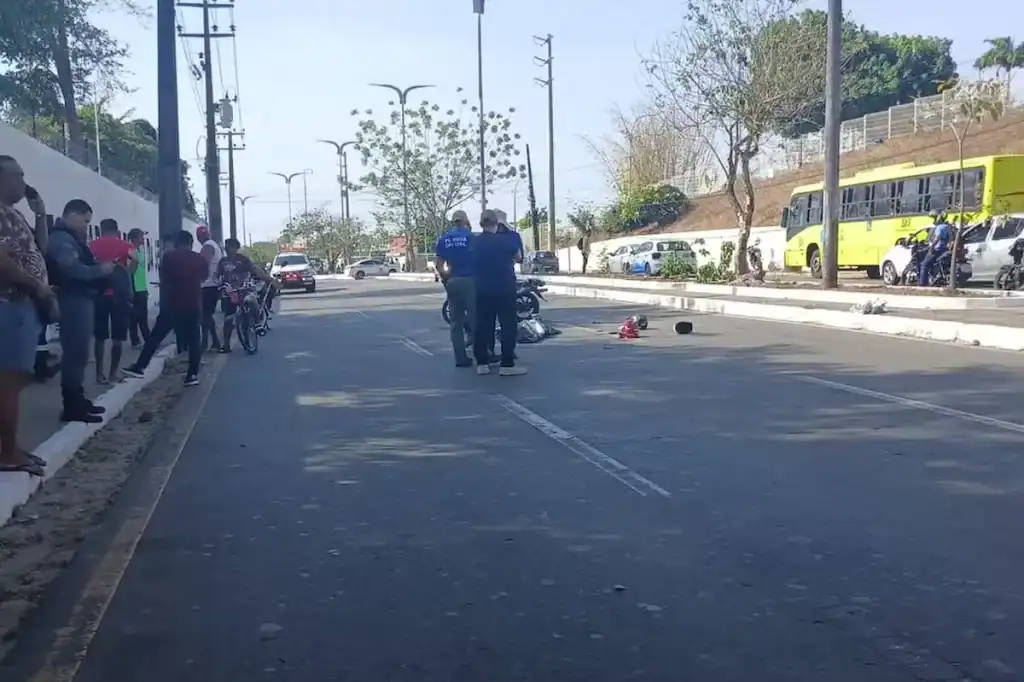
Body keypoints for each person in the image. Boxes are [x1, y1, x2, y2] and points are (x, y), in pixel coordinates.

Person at [0, 155, 56, 476]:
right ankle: (7, 453)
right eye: (17, 175)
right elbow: (2, 263)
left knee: (15, 379)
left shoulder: (15, 214)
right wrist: (37, 286)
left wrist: (41, 215)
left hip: (22, 304)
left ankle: (10, 447)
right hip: (9, 303)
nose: (23, 182)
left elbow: (39, 249)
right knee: (9, 381)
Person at [47, 199, 113, 423]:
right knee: (75, 353)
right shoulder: (62, 240)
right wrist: (101, 270)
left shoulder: (70, 239)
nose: (86, 226)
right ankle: (72, 405)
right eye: (85, 221)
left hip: (80, 298)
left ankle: (77, 399)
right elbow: (73, 269)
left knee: (80, 353)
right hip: (72, 299)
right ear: (73, 215)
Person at [122, 230, 206, 386]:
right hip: (193, 304)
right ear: (190, 243)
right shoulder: (199, 259)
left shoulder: (169, 257)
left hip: (172, 304)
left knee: (155, 338)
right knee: (194, 339)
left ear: (177, 242)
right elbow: (204, 277)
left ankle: (140, 366)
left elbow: (163, 276)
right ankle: (192, 375)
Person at [472, 209, 525, 376]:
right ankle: (507, 364)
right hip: (505, 288)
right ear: (497, 223)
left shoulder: (474, 242)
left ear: (481, 224)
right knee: (508, 325)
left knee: (482, 325)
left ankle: (482, 363)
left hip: (482, 288)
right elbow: (519, 257)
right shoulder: (505, 241)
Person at [89, 218, 137, 384]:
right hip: (119, 295)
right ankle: (112, 374)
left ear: (101, 230)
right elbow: (135, 261)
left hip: (99, 294)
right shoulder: (126, 246)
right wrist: (126, 273)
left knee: (100, 336)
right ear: (116, 230)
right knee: (118, 336)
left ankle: (99, 374)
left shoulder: (92, 245)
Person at [215, 237, 274, 352]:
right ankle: (226, 345)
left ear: (236, 248)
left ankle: (257, 324)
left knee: (251, 301)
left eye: (230, 247)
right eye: (226, 247)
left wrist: (268, 279)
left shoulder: (243, 260)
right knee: (228, 318)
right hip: (230, 292)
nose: (227, 249)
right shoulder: (222, 262)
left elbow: (255, 269)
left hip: (244, 289)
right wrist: (218, 284)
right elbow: (217, 275)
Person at [435, 210, 475, 367]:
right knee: (476, 319)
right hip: (471, 281)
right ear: (465, 221)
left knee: (456, 322)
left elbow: (439, 264)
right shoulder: (471, 237)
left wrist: (446, 278)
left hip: (453, 282)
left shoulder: (444, 239)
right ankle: (482, 355)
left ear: (452, 222)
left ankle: (460, 358)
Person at [196, 225, 223, 351]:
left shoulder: (207, 246)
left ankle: (205, 342)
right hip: (212, 284)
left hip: (208, 285)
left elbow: (202, 264)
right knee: (207, 315)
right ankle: (214, 341)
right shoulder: (214, 245)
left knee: (204, 315)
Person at [127, 228, 150, 348]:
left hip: (141, 287)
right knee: (136, 316)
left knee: (141, 315)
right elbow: (130, 271)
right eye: (141, 237)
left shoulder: (139, 251)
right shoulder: (131, 251)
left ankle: (145, 339)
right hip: (135, 287)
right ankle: (138, 340)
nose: (143, 239)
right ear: (134, 238)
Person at [919, 211, 951, 286]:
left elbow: (936, 239)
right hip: (944, 250)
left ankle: (922, 284)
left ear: (938, 218)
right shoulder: (947, 227)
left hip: (937, 249)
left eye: (934, 218)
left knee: (924, 265)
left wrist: (931, 248)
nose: (934, 220)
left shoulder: (939, 228)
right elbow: (950, 238)